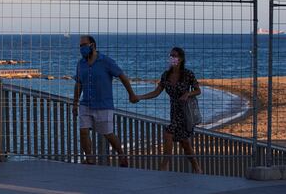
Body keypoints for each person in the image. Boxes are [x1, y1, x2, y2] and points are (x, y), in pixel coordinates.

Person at [73, 35, 138, 167]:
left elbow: (122, 76)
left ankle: (121, 154)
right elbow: (78, 84)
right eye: (80, 46)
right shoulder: (81, 64)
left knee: (108, 134)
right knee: (83, 132)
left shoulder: (106, 61)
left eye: (84, 45)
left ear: (93, 45)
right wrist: (75, 103)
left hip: (103, 105)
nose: (82, 48)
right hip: (86, 104)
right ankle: (90, 158)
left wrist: (131, 94)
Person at [136, 47, 203, 173]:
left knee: (168, 133)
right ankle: (197, 168)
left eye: (175, 55)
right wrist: (139, 97)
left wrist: (188, 94)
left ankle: (164, 166)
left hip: (185, 112)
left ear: (181, 58)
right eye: (170, 55)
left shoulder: (188, 74)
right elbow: (156, 92)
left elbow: (198, 91)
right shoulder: (165, 75)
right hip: (174, 111)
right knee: (185, 143)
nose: (172, 58)